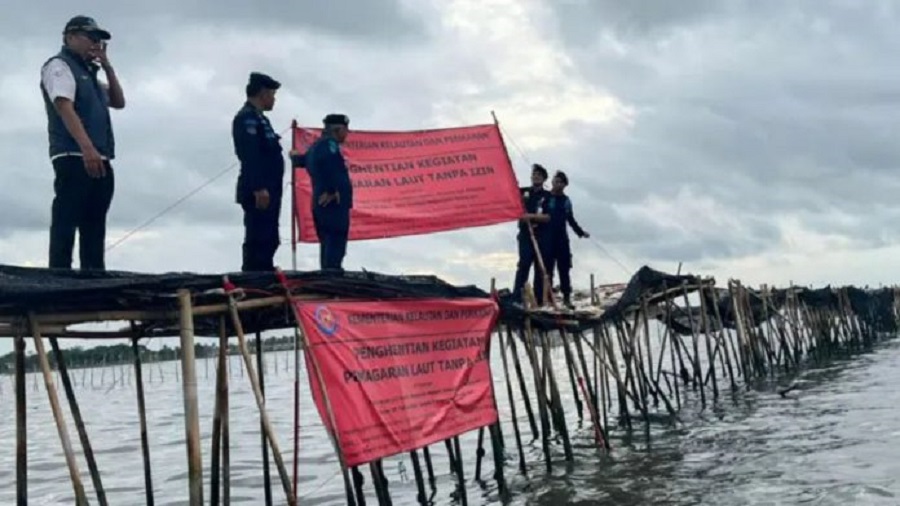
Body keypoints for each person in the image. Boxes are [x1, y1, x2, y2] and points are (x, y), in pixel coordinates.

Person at [41, 15, 125, 270]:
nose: (95, 43)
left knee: (94, 223)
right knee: (67, 220)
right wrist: (87, 147)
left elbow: (118, 101)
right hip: (73, 154)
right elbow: (64, 106)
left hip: (100, 156)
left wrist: (108, 67)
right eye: (91, 37)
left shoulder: (90, 74)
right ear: (70, 37)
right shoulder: (60, 66)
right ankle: (59, 276)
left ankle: (93, 274)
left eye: (98, 39)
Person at [232, 72, 285, 272]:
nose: (274, 100)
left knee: (270, 236)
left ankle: (264, 271)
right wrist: (258, 187)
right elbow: (250, 155)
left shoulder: (260, 119)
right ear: (263, 94)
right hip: (259, 190)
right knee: (258, 236)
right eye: (272, 94)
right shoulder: (247, 119)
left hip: (271, 188)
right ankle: (254, 276)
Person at [295, 114, 353, 271]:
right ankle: (332, 275)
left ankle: (330, 272)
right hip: (331, 202)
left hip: (323, 202)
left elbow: (302, 161)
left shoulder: (317, 147)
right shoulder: (329, 146)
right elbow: (328, 166)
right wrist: (332, 190)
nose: (347, 134)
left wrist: (295, 157)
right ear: (338, 129)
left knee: (329, 242)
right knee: (334, 240)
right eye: (345, 130)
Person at [538, 170, 590, 309]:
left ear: (564, 185)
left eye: (560, 182)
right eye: (555, 181)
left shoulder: (566, 201)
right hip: (547, 238)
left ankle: (566, 297)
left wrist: (580, 232)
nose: (557, 184)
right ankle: (547, 298)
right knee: (548, 269)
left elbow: (571, 219)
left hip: (562, 239)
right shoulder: (546, 198)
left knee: (564, 268)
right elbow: (538, 215)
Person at [512, 163, 550, 305]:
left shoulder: (547, 196)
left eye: (539, 175)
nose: (535, 177)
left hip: (542, 235)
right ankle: (517, 297)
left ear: (544, 179)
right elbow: (512, 203)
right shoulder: (523, 192)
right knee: (524, 264)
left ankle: (539, 299)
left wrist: (531, 216)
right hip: (525, 235)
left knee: (540, 268)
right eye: (534, 175)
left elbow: (548, 217)